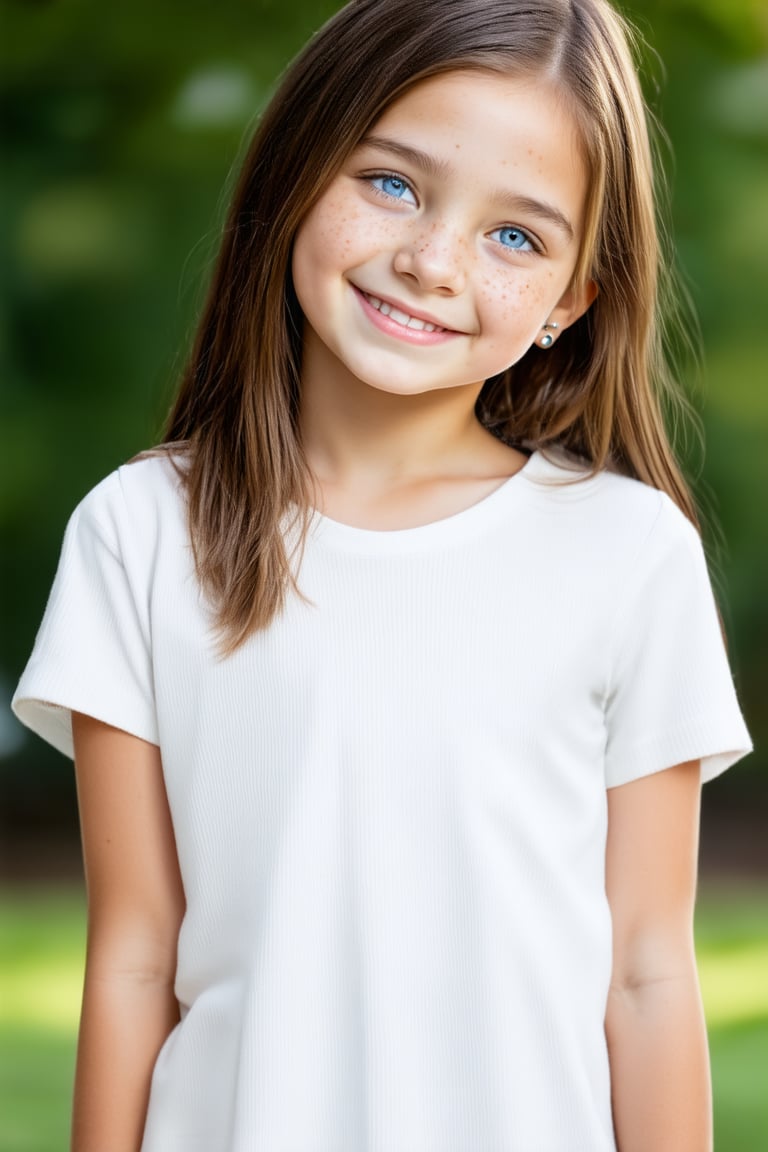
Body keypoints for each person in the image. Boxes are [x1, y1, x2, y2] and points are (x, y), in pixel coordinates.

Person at [12, 0, 752, 1149]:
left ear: (570, 303)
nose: (430, 260)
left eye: (517, 236)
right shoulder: (144, 530)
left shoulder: (629, 552)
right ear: (298, 170)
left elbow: (648, 975)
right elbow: (132, 958)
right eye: (394, 184)